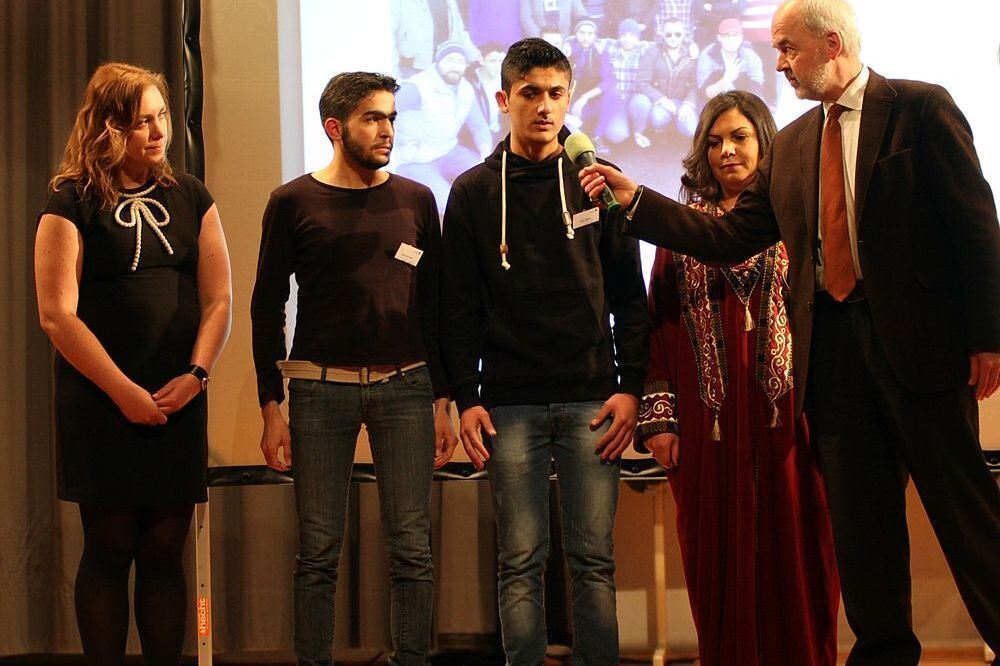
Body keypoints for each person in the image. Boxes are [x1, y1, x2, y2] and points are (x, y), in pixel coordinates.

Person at [580, 0, 1000, 663]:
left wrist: (989, 336)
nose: (778, 63)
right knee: (863, 537)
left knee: (968, 522)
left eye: (787, 48)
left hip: (921, 353)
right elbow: (727, 236)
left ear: (831, 43)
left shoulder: (921, 108)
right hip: (833, 360)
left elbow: (975, 226)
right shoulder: (796, 144)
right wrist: (636, 201)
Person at [440, 38, 648, 665]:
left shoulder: (597, 181)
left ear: (569, 98)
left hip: (592, 398)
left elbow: (629, 295)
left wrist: (630, 387)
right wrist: (467, 398)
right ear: (504, 99)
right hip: (509, 403)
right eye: (530, 93)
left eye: (556, 93)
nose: (544, 106)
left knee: (593, 561)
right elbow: (457, 307)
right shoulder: (473, 191)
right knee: (520, 561)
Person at [251, 71, 457, 666]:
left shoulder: (417, 199)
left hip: (407, 386)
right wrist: (270, 406)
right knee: (318, 551)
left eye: (391, 117)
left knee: (412, 548)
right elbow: (267, 306)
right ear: (335, 128)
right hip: (320, 390)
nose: (387, 129)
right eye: (373, 118)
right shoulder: (292, 201)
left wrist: (444, 399)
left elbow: (438, 305)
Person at [34, 62, 232, 665]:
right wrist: (123, 393)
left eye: (162, 116)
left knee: (165, 548)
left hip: (177, 398)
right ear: (108, 126)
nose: (158, 131)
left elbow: (219, 299)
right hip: (102, 401)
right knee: (111, 545)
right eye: (142, 121)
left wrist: (196, 376)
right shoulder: (70, 200)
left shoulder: (191, 195)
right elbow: (57, 315)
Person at [636, 90, 839, 665]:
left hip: (793, 423)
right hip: (710, 428)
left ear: (765, 143)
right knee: (715, 556)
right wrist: (660, 421)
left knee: (800, 548)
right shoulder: (681, 231)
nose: (727, 150)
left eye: (740, 137)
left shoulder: (799, 219)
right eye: (716, 141)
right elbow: (657, 326)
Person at [394, 40, 494, 213]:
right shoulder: (416, 87)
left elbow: (478, 126)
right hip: (416, 159)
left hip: (448, 151)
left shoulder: (466, 89)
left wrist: (485, 151)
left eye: (460, 61)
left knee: (490, 180)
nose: (455, 66)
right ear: (438, 62)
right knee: (449, 202)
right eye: (449, 60)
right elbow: (382, 112)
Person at [631, 15, 699, 144]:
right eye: (669, 34)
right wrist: (661, 99)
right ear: (662, 34)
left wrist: (688, 104)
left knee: (691, 129)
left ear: (684, 34)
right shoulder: (652, 51)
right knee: (658, 118)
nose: (673, 38)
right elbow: (641, 81)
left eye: (678, 34)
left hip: (682, 101)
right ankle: (660, 132)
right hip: (660, 103)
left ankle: (678, 133)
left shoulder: (692, 54)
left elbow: (696, 83)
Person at [696, 17, 764, 101]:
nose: (731, 40)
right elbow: (704, 93)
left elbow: (757, 86)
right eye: (726, 35)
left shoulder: (750, 55)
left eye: (735, 35)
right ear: (719, 38)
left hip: (743, 100)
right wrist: (726, 79)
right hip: (716, 101)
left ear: (741, 37)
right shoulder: (707, 55)